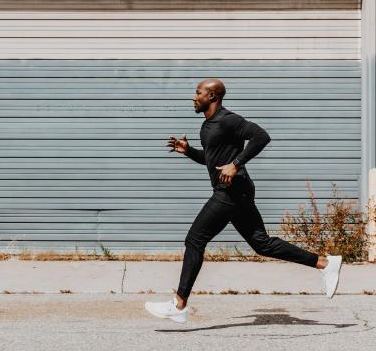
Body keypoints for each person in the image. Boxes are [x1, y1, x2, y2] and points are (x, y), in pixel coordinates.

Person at [144, 79, 342, 323]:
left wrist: (236, 164)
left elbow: (261, 136)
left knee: (195, 239)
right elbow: (212, 158)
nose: (194, 97)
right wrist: (189, 151)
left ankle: (179, 304)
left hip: (231, 192)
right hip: (237, 192)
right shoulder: (208, 126)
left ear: (213, 96)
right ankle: (324, 263)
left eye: (198, 93)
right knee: (262, 244)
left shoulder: (228, 119)